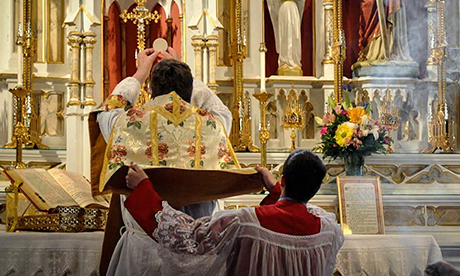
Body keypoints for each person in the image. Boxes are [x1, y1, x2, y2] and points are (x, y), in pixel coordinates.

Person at [92, 48, 237, 275]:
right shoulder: (211, 124)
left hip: (143, 250)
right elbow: (222, 110)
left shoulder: (127, 123)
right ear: (191, 90)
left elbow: (108, 109)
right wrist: (182, 70)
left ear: (150, 90)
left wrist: (140, 73)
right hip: (194, 249)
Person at [124, 149, 344, 275]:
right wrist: (277, 190)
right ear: (315, 190)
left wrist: (143, 188)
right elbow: (291, 213)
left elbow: (187, 236)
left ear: (283, 179)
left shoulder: (243, 222)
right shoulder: (328, 231)